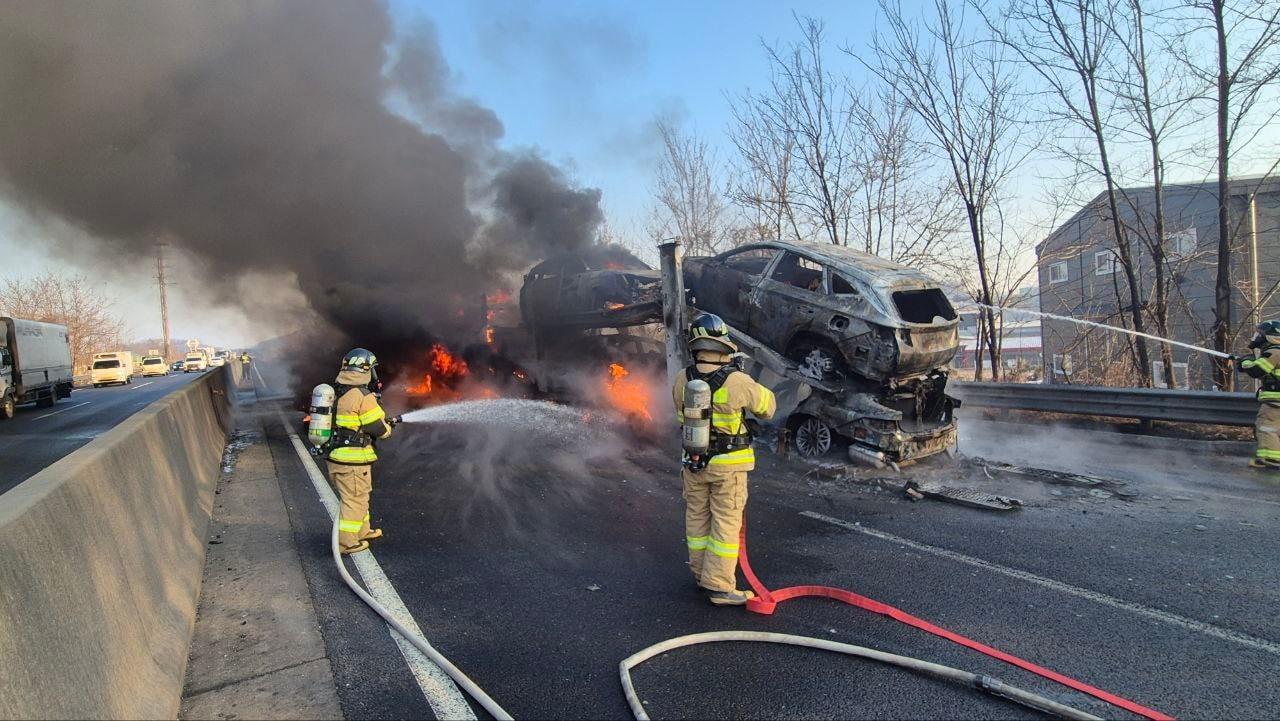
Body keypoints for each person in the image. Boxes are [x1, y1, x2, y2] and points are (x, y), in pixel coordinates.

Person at [672, 313, 776, 606]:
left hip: (693, 462)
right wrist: (742, 376)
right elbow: (769, 407)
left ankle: (701, 574)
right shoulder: (738, 380)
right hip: (727, 468)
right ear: (723, 345)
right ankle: (719, 586)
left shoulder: (683, 378)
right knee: (725, 524)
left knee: (697, 519)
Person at [328, 348, 395, 554]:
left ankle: (363, 531)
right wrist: (388, 427)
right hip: (353, 461)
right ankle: (346, 543)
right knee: (354, 500)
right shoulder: (363, 396)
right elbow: (378, 429)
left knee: (360, 496)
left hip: (337, 458)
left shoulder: (338, 391)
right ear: (366, 370)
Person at [1237, 320, 1280, 470]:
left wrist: (1246, 362)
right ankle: (1267, 457)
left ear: (1271, 336)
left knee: (1266, 427)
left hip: (1276, 402)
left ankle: (1272, 459)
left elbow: (1257, 370)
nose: (1258, 337)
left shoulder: (1274, 352)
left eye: (1261, 334)